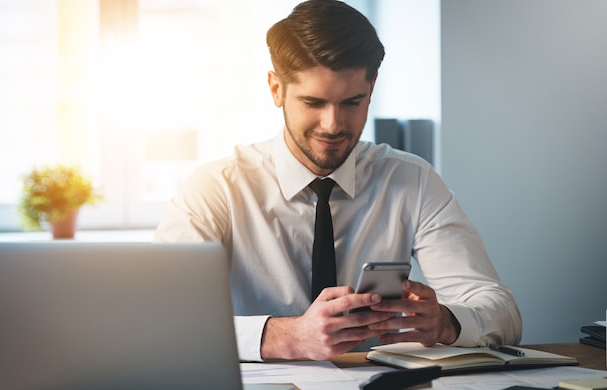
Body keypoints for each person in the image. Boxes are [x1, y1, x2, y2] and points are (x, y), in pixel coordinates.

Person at [154, 0, 522, 362]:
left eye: (352, 102)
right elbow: (161, 319)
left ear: (371, 88)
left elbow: (501, 309)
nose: (332, 125)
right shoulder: (217, 187)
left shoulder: (413, 181)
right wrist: (286, 336)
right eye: (313, 102)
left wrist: (446, 321)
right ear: (276, 89)